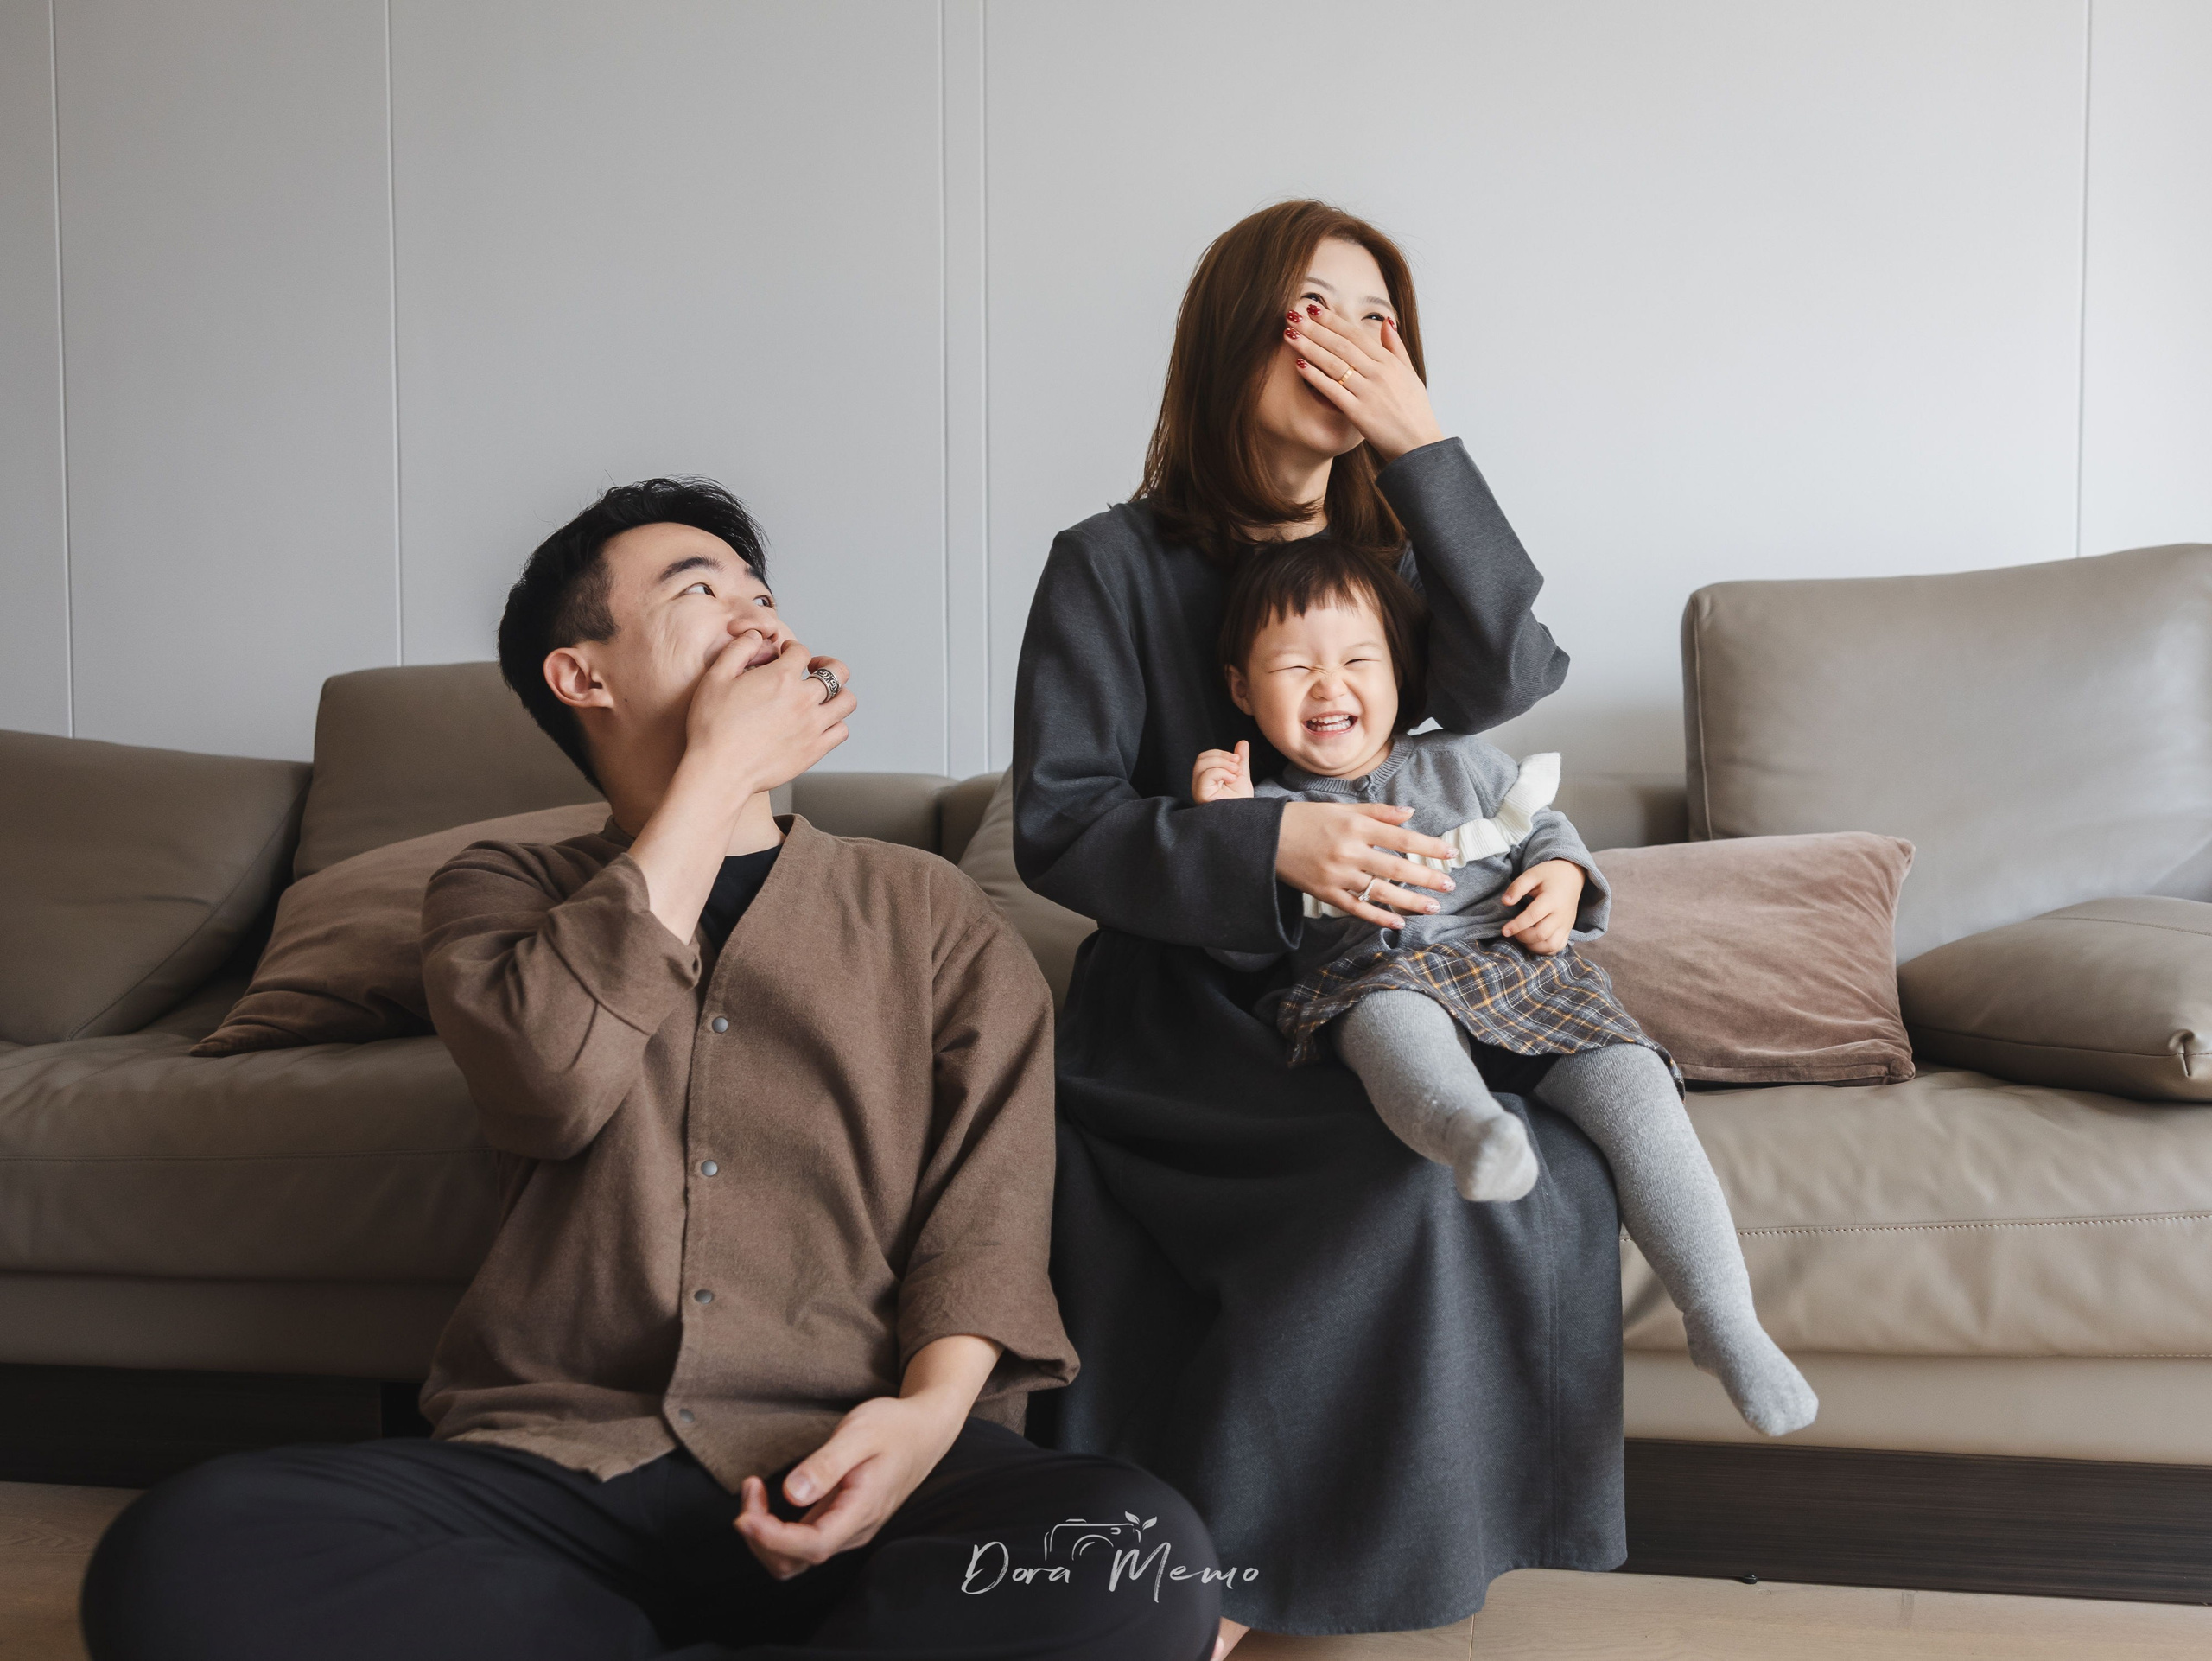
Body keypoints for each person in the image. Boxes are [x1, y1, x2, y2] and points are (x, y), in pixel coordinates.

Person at [84, 477, 1222, 1661]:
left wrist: (925, 1423)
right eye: (701, 591)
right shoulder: (496, 891)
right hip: (556, 1467)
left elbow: (985, 1216)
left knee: (1139, 1554)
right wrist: (713, 781)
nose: (757, 615)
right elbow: (549, 1078)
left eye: (762, 594)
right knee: (183, 1550)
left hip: (857, 1459)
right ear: (584, 676)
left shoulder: (929, 909)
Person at [1013, 200, 1629, 1645]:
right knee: (1388, 1192)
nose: (1347, 343)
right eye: (1312, 308)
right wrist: (1267, 841)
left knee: (1512, 1175)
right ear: (1235, 333)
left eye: (1378, 318)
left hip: (1393, 994)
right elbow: (1059, 823)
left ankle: (1294, 1576)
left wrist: (1424, 453)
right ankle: (1206, 1597)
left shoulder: (1389, 561)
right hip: (1190, 1025)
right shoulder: (1107, 564)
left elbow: (1507, 675)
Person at [1192, 536, 1818, 1437]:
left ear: (1401, 673)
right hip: (1378, 977)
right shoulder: (1265, 809)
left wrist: (1563, 880)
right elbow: (1235, 947)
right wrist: (1225, 834)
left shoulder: (1462, 762)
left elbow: (1546, 828)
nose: (1330, 685)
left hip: (1516, 974)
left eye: (1357, 660)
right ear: (1244, 690)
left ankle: (1723, 1317)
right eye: (1295, 667)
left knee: (1634, 1084)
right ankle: (1471, 1131)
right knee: (1387, 1023)